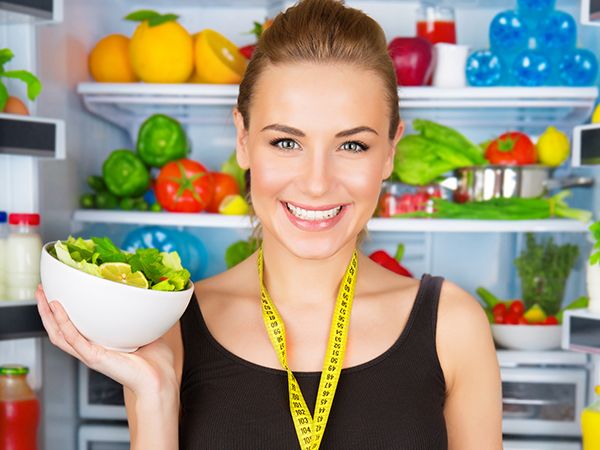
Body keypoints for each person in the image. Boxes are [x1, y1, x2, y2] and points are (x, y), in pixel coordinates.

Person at [36, 0, 503, 448]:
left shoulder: (453, 325)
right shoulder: (171, 326)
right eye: (286, 142)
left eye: (353, 146)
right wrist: (154, 397)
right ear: (242, 139)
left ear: (390, 152)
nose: (317, 183)